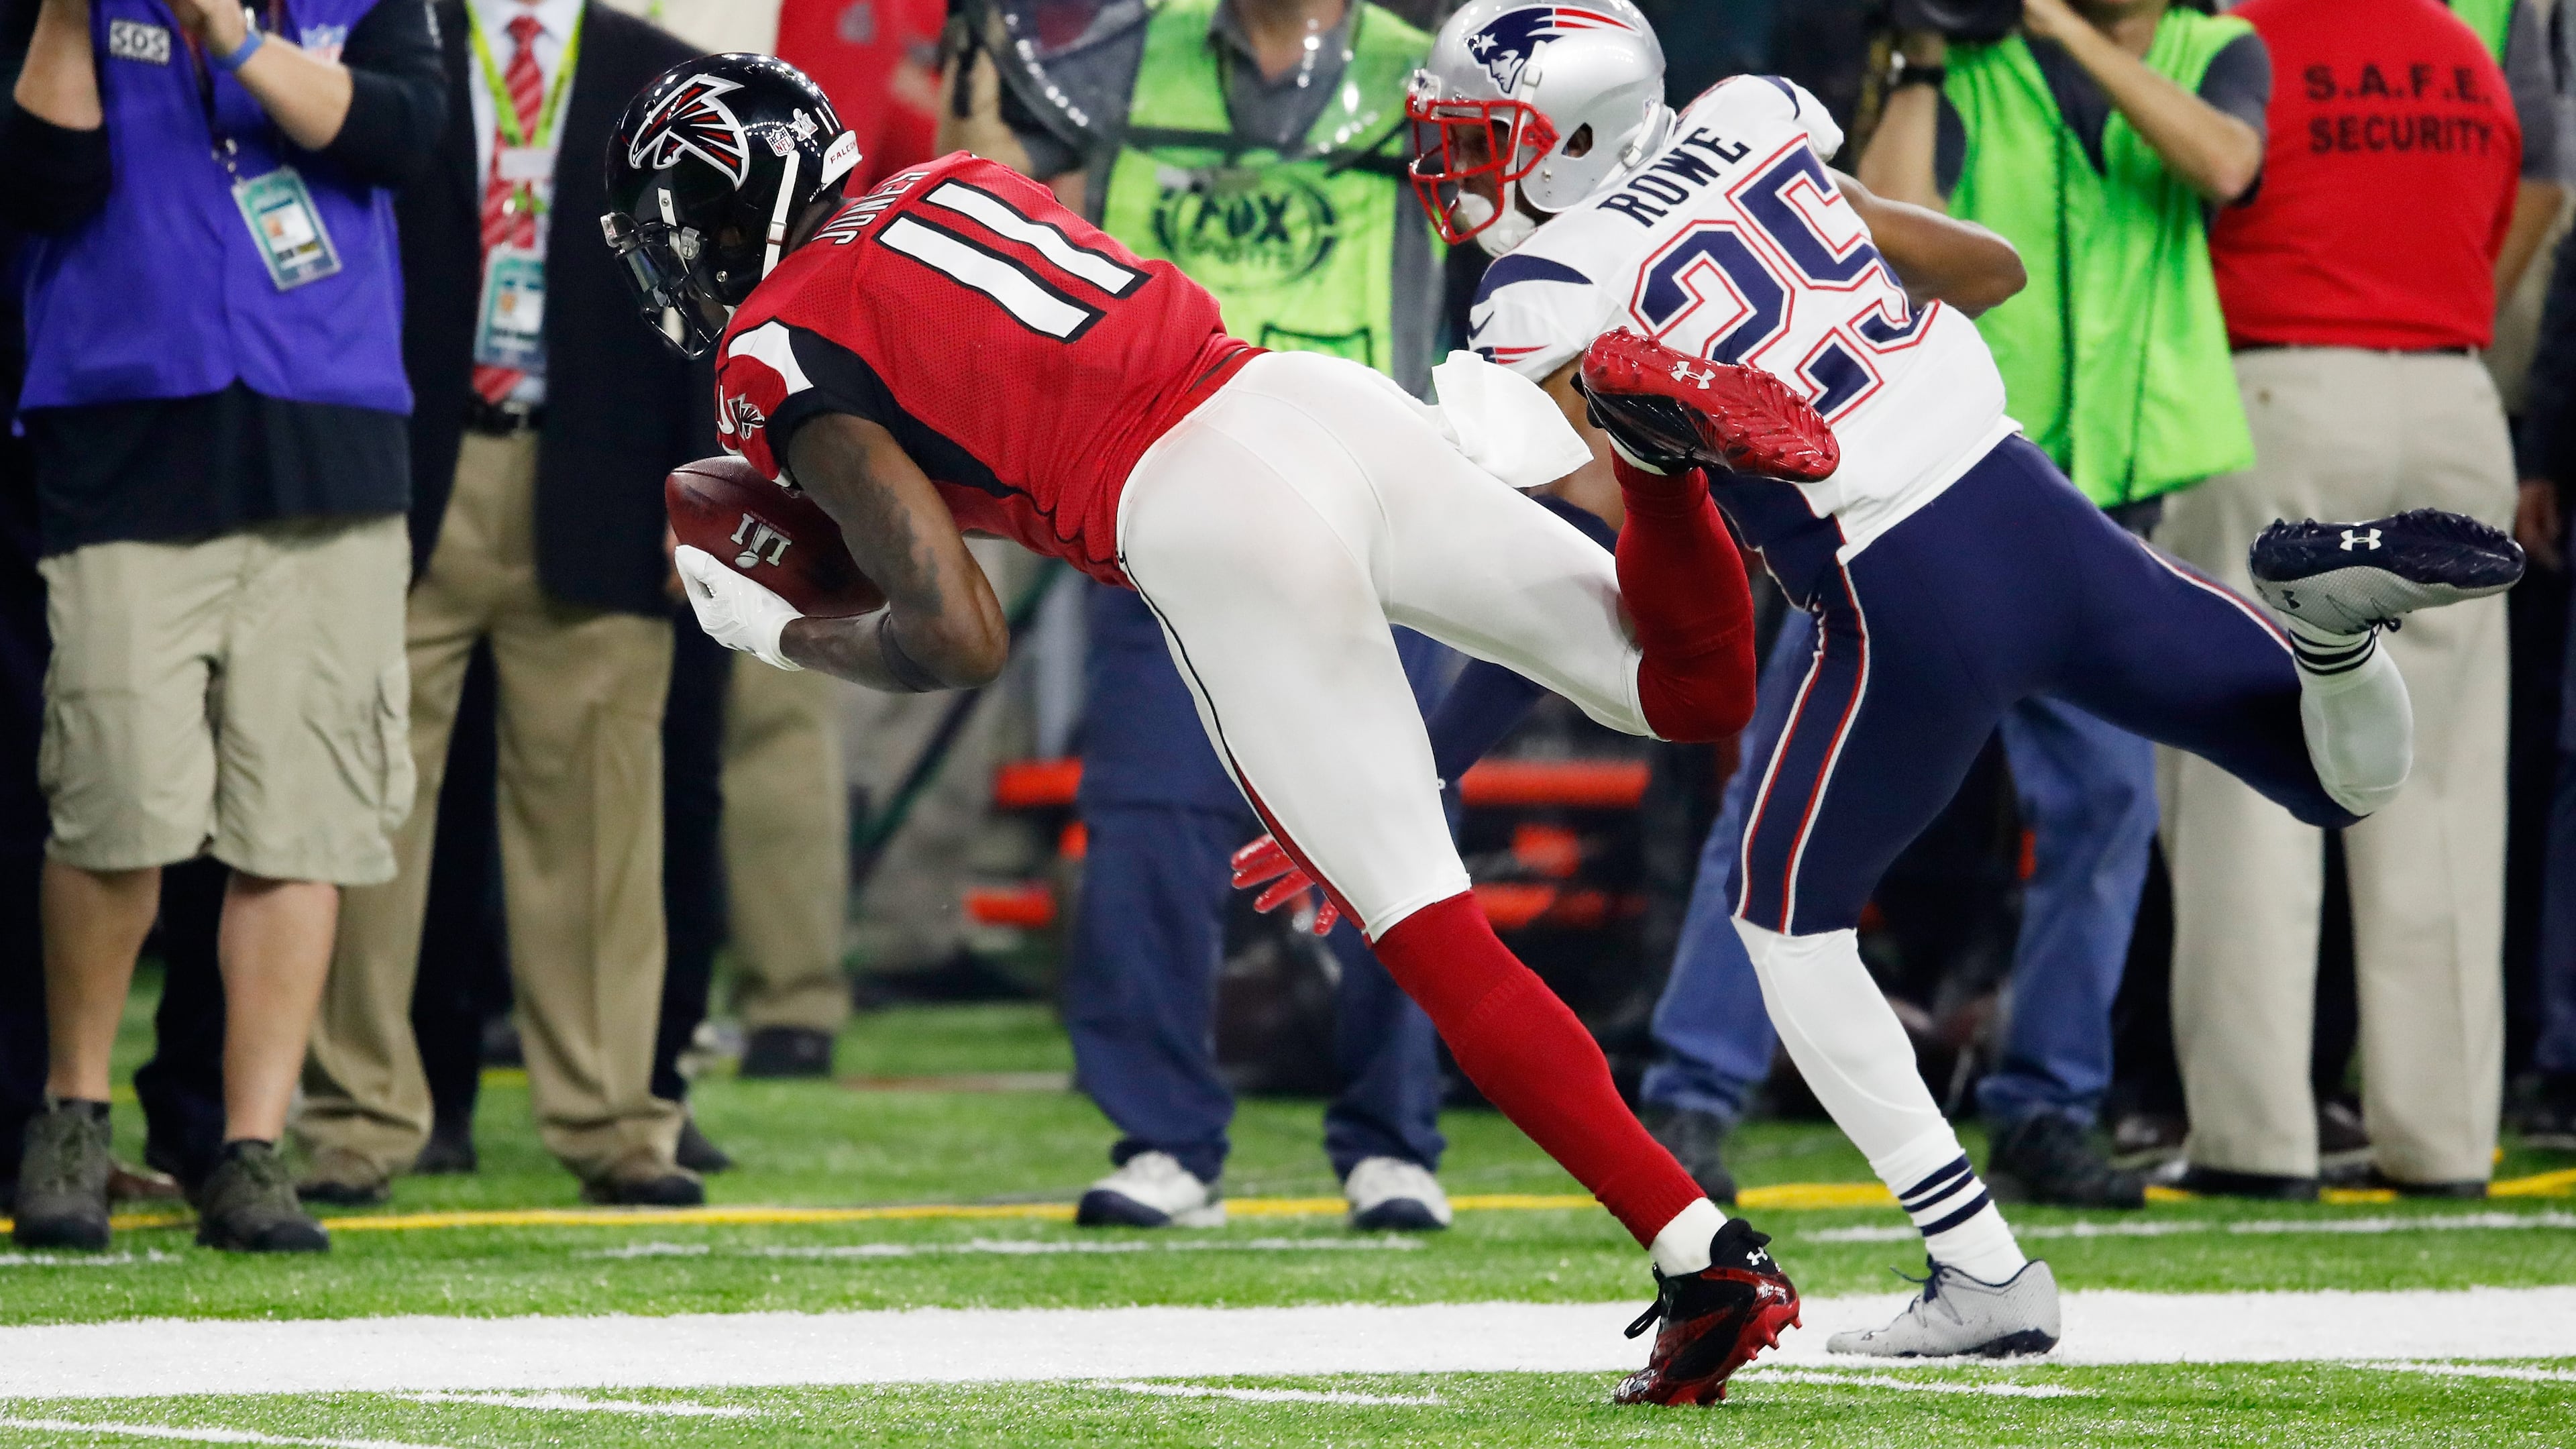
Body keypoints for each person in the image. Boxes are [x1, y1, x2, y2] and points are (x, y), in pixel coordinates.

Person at [608, 52, 1819, 1406]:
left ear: (726, 207)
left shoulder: (774, 344)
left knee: (1426, 925)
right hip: (1309, 400)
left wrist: (783, 632)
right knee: (1685, 695)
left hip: (1198, 513)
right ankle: (1652, 466)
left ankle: (1703, 1261)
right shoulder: (949, 184)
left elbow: (956, 629)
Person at [1393, 0, 2520, 1355]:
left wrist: (1433, 740)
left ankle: (1982, 1271)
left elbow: (1582, 552)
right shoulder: (1754, 114)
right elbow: (1978, 266)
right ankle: (2331, 635)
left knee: (1782, 923)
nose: (1454, 172)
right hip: (2030, 501)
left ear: (1569, 138)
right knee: (2345, 781)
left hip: (1894, 589)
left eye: (1479, 141)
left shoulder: (1536, 293)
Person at [981, 0, 1461, 1230]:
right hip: (1171, 514)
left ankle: (1395, 1141)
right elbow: (988, 180)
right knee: (1145, 829)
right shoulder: (1125, 54)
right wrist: (972, 66)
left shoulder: (1435, 76)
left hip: (1374, 515)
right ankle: (1166, 1144)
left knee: (1396, 838)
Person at [1, 0, 443, 1252]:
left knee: (298, 814)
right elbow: (42, 174)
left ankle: (253, 1146)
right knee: (114, 796)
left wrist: (233, 38)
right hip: (126, 434)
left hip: (329, 440)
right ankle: (71, 1115)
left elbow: (403, 135)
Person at [293, 0, 715, 1208]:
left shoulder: (666, 78)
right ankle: (357, 1117)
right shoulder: (384, 50)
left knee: (601, 821)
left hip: (601, 485)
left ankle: (617, 1124)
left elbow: (711, 303)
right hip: (403, 470)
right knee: (364, 806)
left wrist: (700, 495)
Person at [2155, 0, 2551, 1199]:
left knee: (2253, 767)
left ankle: (2255, 1138)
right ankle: (2441, 1140)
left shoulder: (2236, 45)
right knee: (2442, 792)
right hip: (2450, 404)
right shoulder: (2462, 59)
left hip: (2280, 395)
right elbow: (2512, 214)